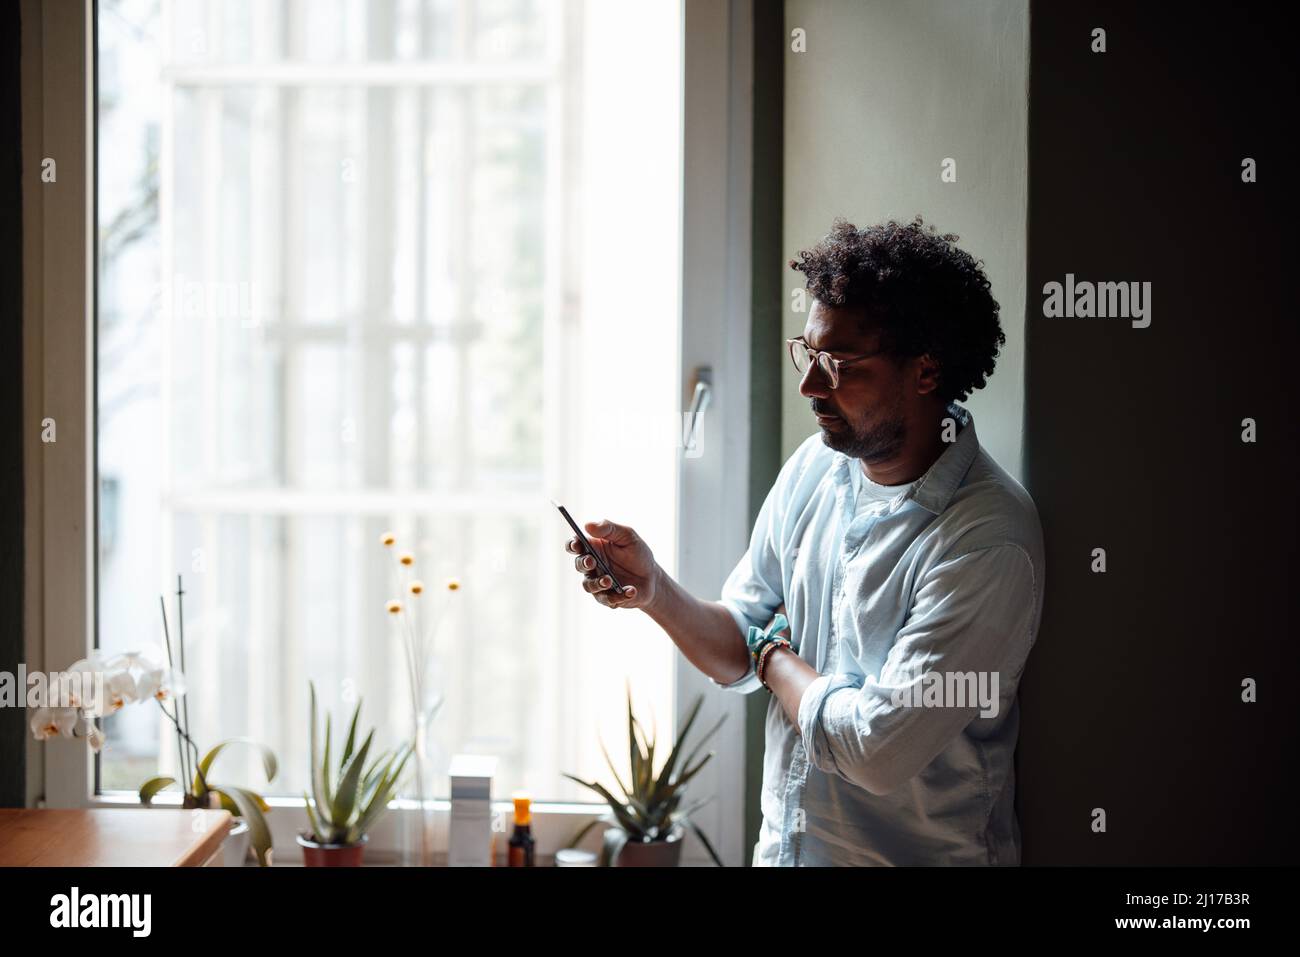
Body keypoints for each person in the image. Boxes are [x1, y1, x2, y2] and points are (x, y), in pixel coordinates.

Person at [563, 216, 1044, 866]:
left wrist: (775, 660)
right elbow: (741, 635)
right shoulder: (816, 468)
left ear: (926, 371)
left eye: (839, 365)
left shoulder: (986, 541)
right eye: (808, 353)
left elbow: (876, 751)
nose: (810, 386)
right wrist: (654, 591)